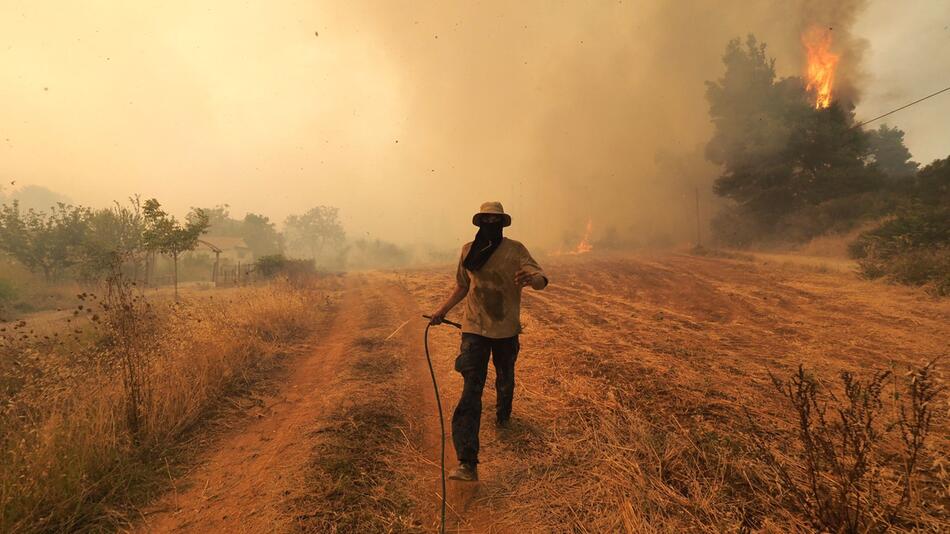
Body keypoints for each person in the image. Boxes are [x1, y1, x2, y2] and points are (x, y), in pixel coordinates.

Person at [428, 201, 548, 482]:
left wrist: (532, 279)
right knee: (471, 390)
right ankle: (467, 461)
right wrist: (442, 311)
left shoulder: (516, 250)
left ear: (503, 223)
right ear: (479, 222)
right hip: (474, 330)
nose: (490, 224)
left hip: (506, 329)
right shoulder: (468, 251)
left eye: (496, 220)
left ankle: (503, 415)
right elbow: (462, 285)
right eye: (486, 219)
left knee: (505, 380)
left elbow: (542, 279)